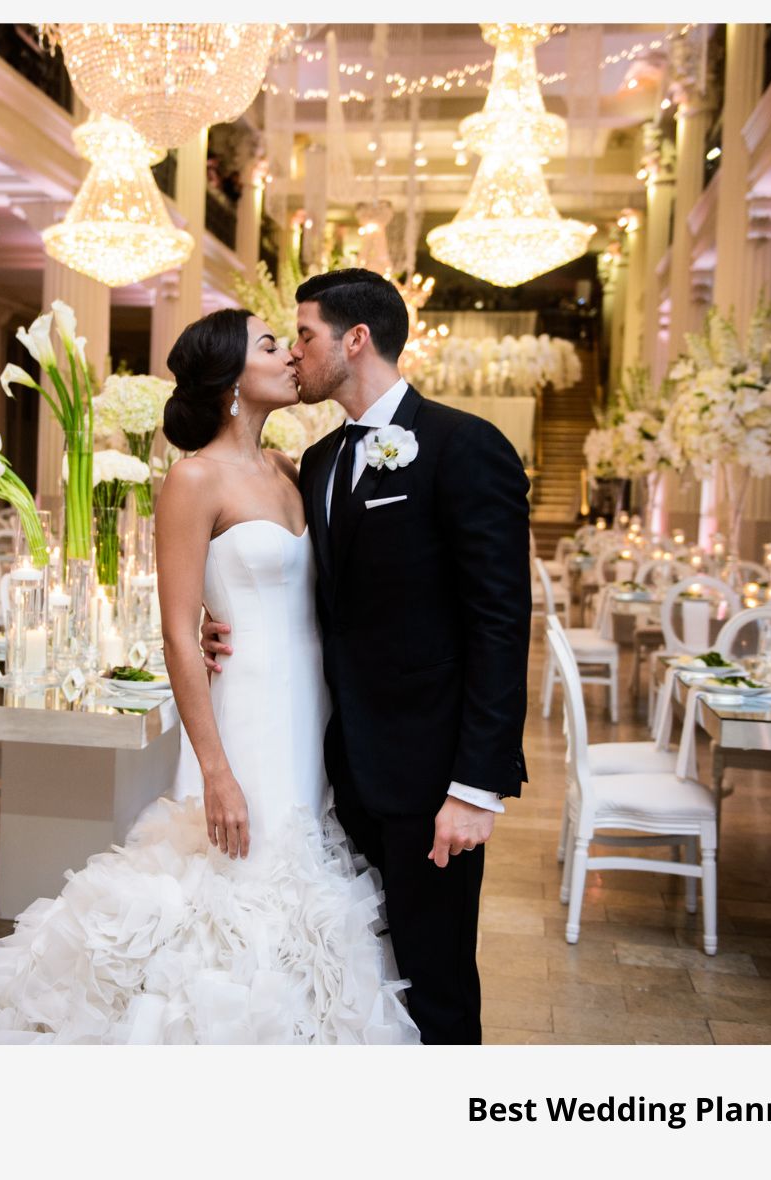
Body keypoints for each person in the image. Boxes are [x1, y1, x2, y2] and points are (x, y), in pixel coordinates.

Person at [0, 302, 425, 1044]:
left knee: (302, 871)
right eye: (270, 345)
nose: (291, 356)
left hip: (313, 711)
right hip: (246, 714)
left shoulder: (292, 468)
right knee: (238, 877)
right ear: (231, 378)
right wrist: (215, 771)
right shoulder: (192, 479)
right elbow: (175, 634)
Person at [206, 269, 531, 1043]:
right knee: (362, 982)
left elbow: (500, 624)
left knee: (436, 986)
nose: (294, 353)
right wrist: (210, 623)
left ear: (355, 340)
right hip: (333, 774)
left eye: (304, 335)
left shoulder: (463, 446)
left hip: (429, 779)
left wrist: (476, 787)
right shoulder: (316, 463)